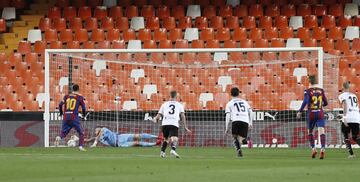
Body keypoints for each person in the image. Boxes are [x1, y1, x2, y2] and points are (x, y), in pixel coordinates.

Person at [297, 75, 328, 159]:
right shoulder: (321, 90)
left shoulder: (307, 91)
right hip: (320, 112)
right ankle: (322, 149)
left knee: (310, 132)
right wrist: (320, 104)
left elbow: (305, 101)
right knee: (321, 131)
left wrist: (300, 111)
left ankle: (314, 149)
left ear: (309, 82)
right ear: (316, 81)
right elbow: (326, 103)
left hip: (311, 113)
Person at [153, 91, 191, 158]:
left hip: (165, 124)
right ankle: (173, 150)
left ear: (169, 96)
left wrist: (155, 119)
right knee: (175, 138)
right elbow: (182, 116)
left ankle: (162, 152)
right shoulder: (179, 105)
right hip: (173, 123)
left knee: (166, 139)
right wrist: (185, 126)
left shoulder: (164, 104)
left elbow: (159, 115)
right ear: (176, 96)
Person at [54, 84, 87, 151]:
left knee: (64, 133)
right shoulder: (79, 97)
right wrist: (84, 115)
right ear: (78, 89)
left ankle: (59, 137)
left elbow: (60, 104)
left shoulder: (66, 96)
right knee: (81, 133)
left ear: (72, 89)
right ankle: (80, 147)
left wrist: (61, 113)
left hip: (66, 116)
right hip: (74, 117)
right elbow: (83, 108)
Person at [224, 87, 253, 158]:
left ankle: (239, 150)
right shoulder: (244, 102)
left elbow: (228, 115)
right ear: (238, 94)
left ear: (231, 94)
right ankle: (246, 143)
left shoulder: (229, 103)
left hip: (236, 121)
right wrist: (250, 122)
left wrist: (226, 127)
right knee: (241, 139)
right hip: (245, 121)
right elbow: (251, 111)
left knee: (235, 138)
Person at [338, 81, 360, 158]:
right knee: (355, 137)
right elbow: (357, 106)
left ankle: (351, 154)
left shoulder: (342, 95)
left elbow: (345, 105)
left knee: (345, 136)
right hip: (357, 117)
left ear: (343, 87)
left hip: (348, 117)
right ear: (349, 87)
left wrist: (344, 118)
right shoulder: (354, 95)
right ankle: (351, 154)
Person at [86, 127, 161, 147]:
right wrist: (83, 140)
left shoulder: (104, 129)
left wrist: (95, 143)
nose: (95, 130)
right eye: (95, 130)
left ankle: (157, 137)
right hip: (119, 144)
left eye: (96, 129)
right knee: (137, 143)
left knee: (137, 135)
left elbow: (98, 136)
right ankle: (155, 144)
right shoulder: (98, 138)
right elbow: (90, 140)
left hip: (121, 137)